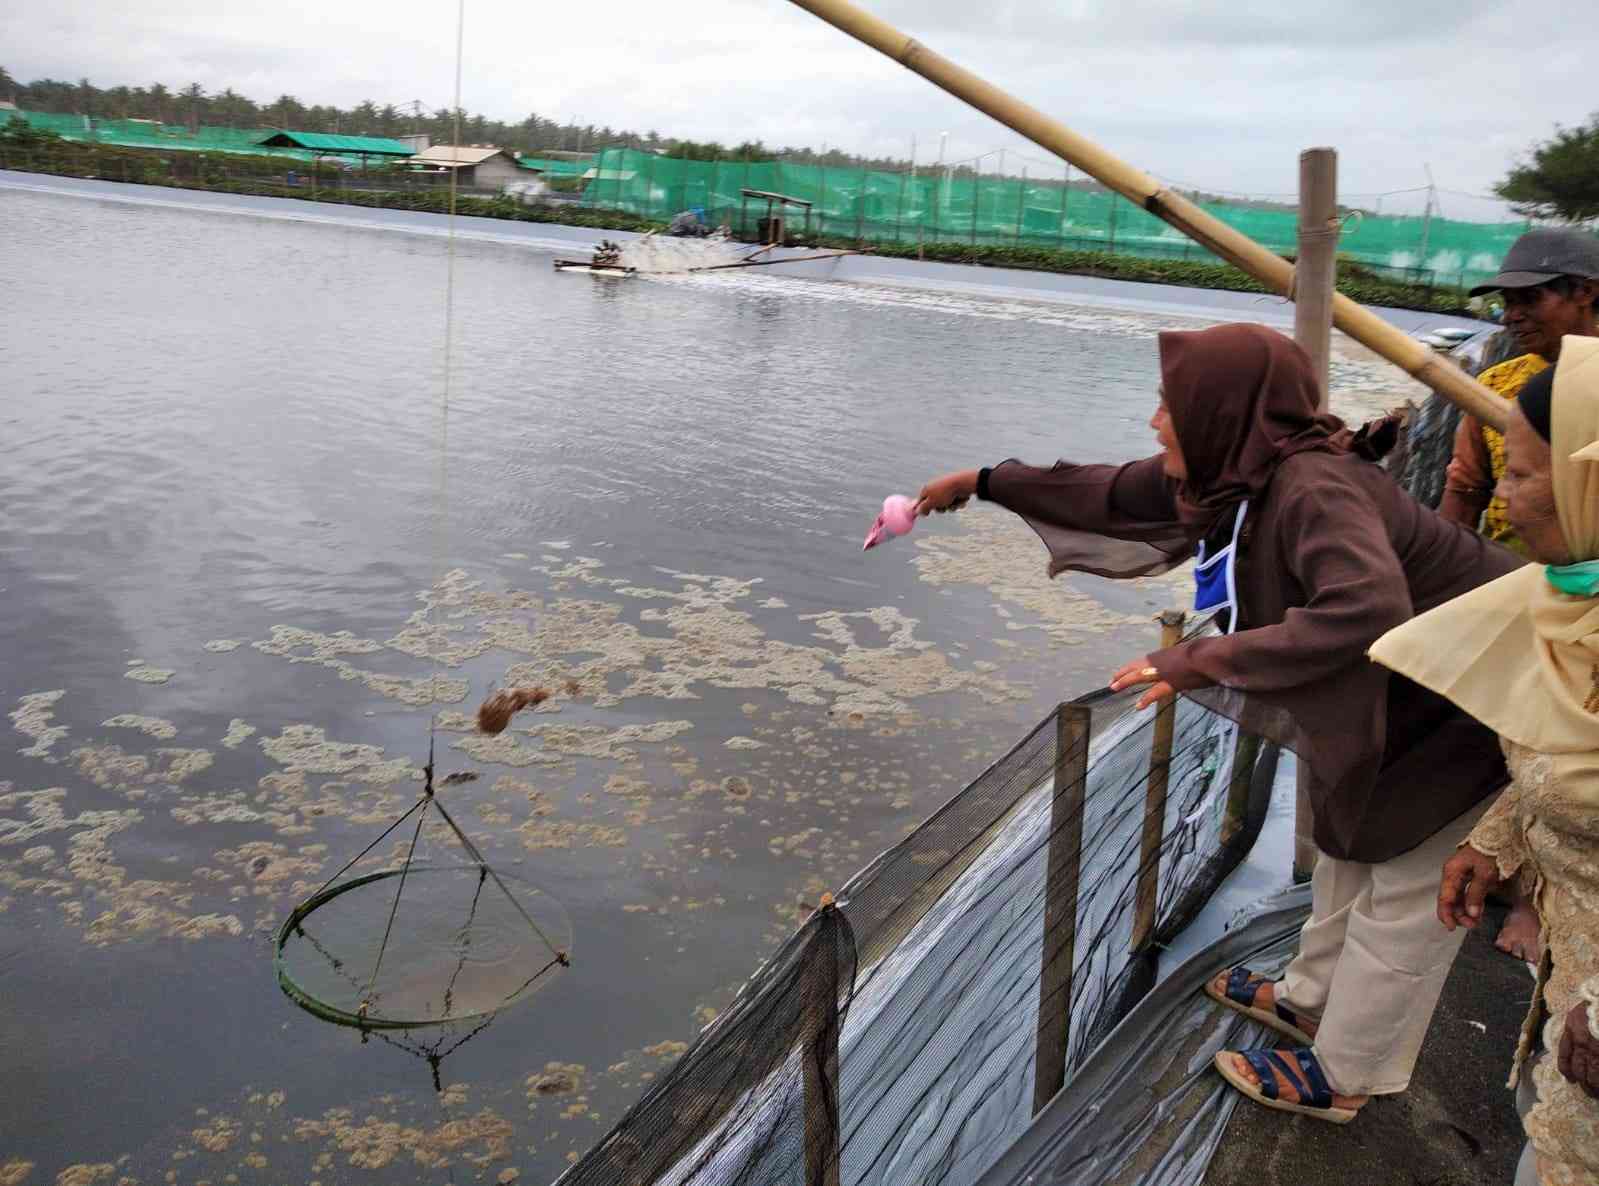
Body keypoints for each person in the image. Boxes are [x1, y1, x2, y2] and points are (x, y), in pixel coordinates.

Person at [915, 322, 1523, 1122]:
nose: (1155, 421)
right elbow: (1114, 490)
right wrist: (986, 480)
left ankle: (1345, 1073)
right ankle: (1307, 999)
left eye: (1169, 404)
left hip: (1476, 700)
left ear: (1221, 411)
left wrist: (1194, 660)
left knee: (1406, 895)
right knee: (1349, 852)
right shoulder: (1242, 475)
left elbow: (1364, 607)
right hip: (1404, 695)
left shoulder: (1314, 490)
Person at [1371, 339, 1599, 1185]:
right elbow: (1560, 757)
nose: (1501, 497)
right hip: (1568, 986)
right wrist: (1500, 837)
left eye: (1525, 473)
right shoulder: (1566, 600)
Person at [1438, 228, 1599, 961]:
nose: (1511, 315)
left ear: (1583, 293)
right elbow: (1464, 489)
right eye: (1504, 301)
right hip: (1512, 593)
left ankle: (1546, 908)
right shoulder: (1494, 391)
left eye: (1529, 297)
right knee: (1514, 748)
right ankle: (1513, 876)